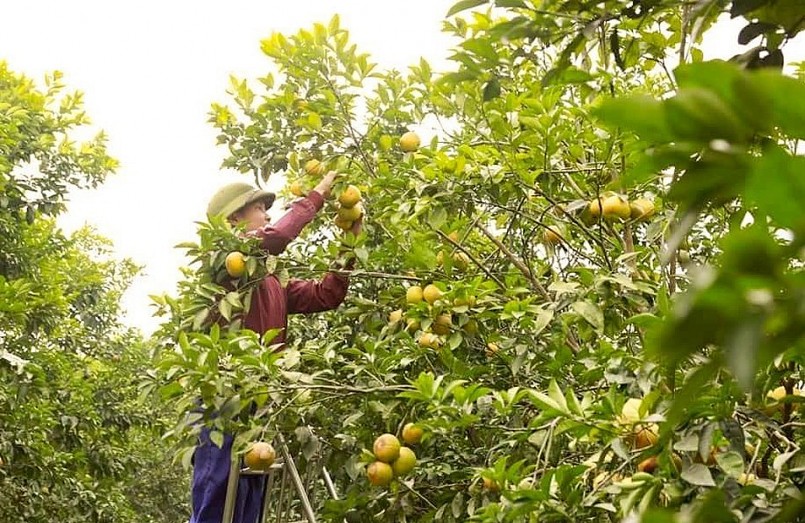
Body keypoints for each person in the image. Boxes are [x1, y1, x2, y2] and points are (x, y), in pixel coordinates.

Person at [190, 170, 360, 523]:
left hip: (262, 397)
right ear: (234, 219)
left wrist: (349, 245)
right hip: (224, 395)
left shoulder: (272, 281)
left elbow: (325, 294)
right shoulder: (223, 260)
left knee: (252, 493)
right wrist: (316, 196)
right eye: (259, 209)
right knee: (217, 492)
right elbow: (277, 237)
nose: (267, 215)